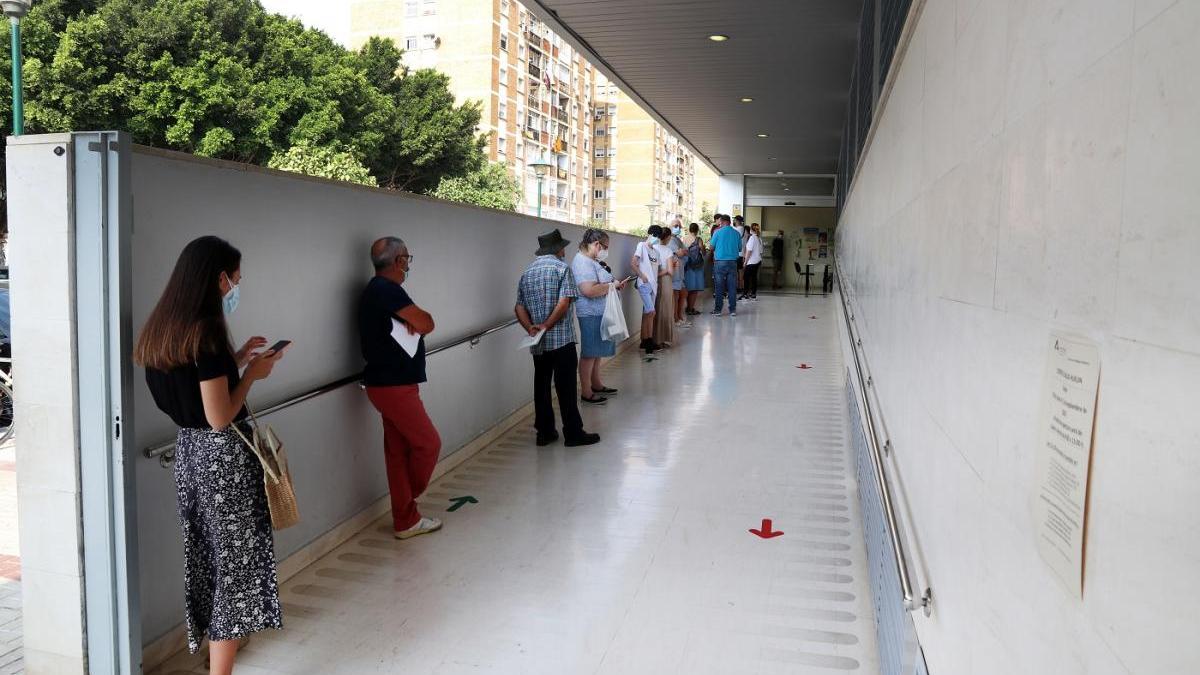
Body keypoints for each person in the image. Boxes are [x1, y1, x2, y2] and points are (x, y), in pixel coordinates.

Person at [134, 236, 287, 674]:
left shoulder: (164, 326)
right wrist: (253, 374)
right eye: (236, 279)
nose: (238, 287)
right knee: (236, 568)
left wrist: (235, 360)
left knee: (209, 557)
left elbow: (193, 386)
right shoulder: (206, 332)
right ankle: (221, 667)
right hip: (223, 461)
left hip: (190, 453)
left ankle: (218, 648)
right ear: (219, 278)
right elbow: (220, 416)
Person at [359, 237, 444, 540]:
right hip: (394, 386)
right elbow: (427, 322)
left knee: (397, 451)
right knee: (428, 444)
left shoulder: (378, 291)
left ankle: (405, 520)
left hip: (384, 384)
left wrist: (416, 322)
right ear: (397, 262)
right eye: (407, 257)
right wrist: (420, 321)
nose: (409, 263)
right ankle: (407, 501)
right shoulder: (386, 290)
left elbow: (416, 323)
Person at [516, 229, 601, 447]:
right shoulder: (562, 268)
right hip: (561, 340)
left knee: (541, 386)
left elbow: (519, 307)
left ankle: (544, 432)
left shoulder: (527, 272)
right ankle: (573, 433)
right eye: (563, 246)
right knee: (566, 387)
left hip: (538, 343)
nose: (565, 249)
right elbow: (564, 302)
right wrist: (547, 325)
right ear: (557, 249)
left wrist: (532, 328)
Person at [571, 229, 626, 405]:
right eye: (605, 247)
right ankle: (586, 392)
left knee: (596, 353)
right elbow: (588, 290)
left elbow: (600, 283)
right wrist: (611, 285)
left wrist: (614, 286)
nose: (606, 251)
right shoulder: (582, 262)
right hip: (590, 314)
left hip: (599, 313)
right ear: (596, 245)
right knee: (589, 354)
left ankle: (596, 384)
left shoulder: (591, 261)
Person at [632, 225, 663, 354]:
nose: (656, 238)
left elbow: (658, 269)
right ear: (649, 234)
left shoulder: (656, 252)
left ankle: (644, 341)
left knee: (647, 313)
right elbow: (633, 263)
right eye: (654, 235)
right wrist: (642, 276)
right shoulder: (641, 246)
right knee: (651, 312)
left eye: (658, 236)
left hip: (653, 285)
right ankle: (649, 341)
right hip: (644, 284)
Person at [710, 214, 741, 317]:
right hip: (732, 262)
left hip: (720, 263)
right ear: (730, 222)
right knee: (732, 287)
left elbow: (711, 247)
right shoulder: (736, 233)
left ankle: (718, 310)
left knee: (719, 287)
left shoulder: (717, 232)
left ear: (722, 222)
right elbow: (740, 248)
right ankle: (732, 310)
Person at [653, 226, 677, 347]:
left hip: (653, 281)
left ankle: (652, 338)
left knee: (654, 308)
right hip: (665, 281)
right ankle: (661, 339)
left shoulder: (652, 248)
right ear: (667, 237)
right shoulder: (667, 250)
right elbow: (671, 271)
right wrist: (673, 265)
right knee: (665, 309)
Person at [682, 223, 706, 315]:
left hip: (687, 265)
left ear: (689, 229)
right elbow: (703, 253)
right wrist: (703, 247)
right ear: (697, 230)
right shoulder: (698, 239)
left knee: (688, 287)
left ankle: (686, 307)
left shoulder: (684, 239)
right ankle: (690, 308)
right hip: (697, 266)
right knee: (695, 288)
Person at [669, 220, 688, 325]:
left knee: (683, 293)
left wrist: (682, 252)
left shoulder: (678, 239)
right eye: (676, 226)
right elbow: (681, 253)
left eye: (680, 226)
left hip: (680, 272)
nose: (678, 228)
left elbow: (685, 251)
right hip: (674, 273)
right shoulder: (670, 240)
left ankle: (679, 317)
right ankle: (675, 319)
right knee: (675, 295)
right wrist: (681, 252)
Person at [741, 223, 763, 301]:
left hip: (751, 262)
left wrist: (745, 262)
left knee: (746, 278)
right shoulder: (759, 238)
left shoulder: (752, 238)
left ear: (751, 230)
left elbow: (749, 251)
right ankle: (753, 294)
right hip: (758, 261)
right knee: (753, 278)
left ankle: (745, 294)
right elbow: (761, 251)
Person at [732, 215, 747, 292]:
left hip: (738, 254)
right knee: (741, 272)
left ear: (737, 221)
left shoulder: (737, 230)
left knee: (737, 272)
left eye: (734, 220)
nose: (733, 221)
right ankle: (742, 287)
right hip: (743, 253)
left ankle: (739, 287)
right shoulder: (745, 230)